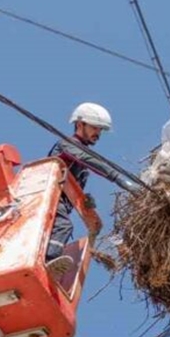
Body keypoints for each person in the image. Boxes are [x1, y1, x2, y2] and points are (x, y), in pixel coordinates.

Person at [45, 102, 140, 278]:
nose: (98, 134)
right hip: (47, 197)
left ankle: (48, 263)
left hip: (60, 202)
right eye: (95, 128)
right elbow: (89, 160)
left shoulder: (82, 161)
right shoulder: (68, 144)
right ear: (80, 124)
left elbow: (74, 184)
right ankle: (47, 264)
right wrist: (120, 180)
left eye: (100, 130)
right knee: (63, 226)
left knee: (58, 228)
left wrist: (83, 200)